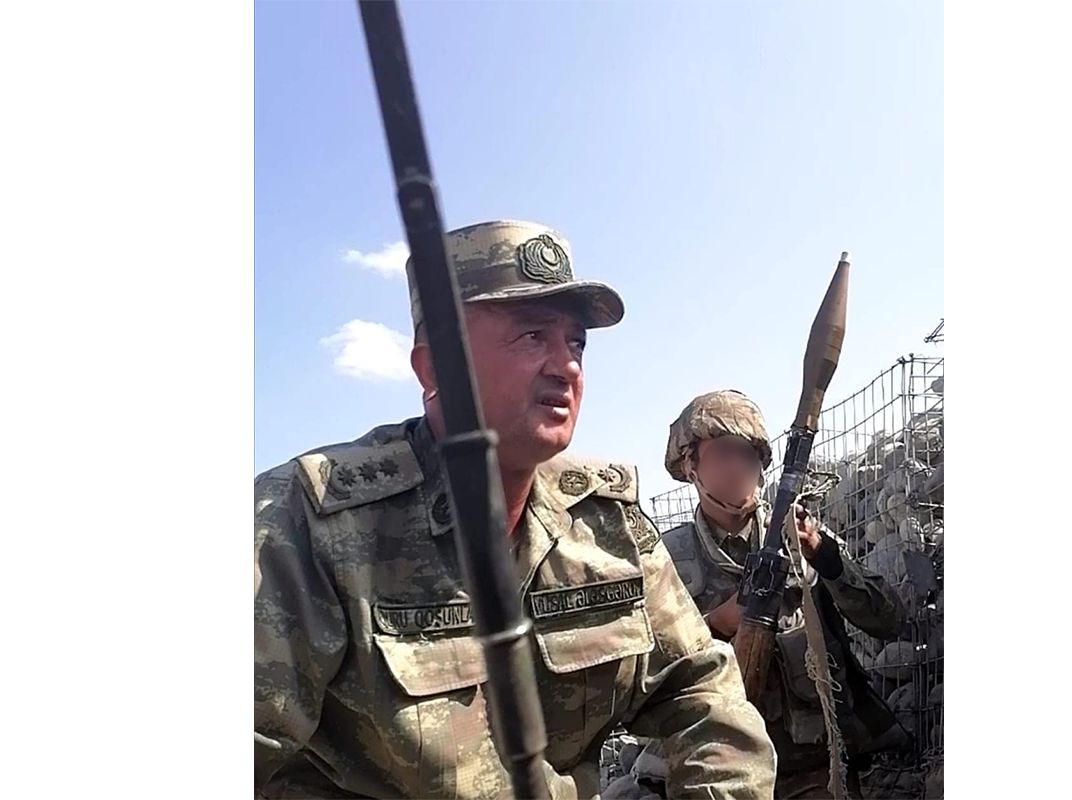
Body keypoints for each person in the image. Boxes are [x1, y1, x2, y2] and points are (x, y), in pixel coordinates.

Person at [254, 221, 776, 799]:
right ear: (435, 369)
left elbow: (701, 689)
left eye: (575, 342)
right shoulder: (309, 524)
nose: (566, 365)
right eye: (532, 336)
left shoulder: (605, 524)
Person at [653, 390, 910, 799]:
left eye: (749, 454)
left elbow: (890, 619)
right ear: (690, 465)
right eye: (723, 453)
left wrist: (826, 558)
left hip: (816, 770)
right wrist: (714, 625)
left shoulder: (798, 535)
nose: (739, 466)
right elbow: (643, 672)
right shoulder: (664, 558)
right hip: (716, 774)